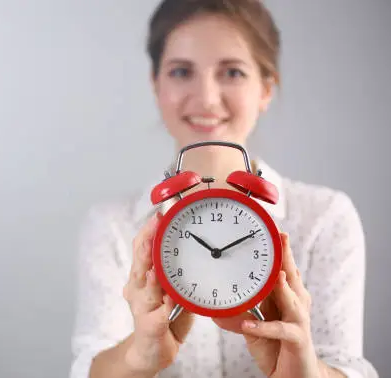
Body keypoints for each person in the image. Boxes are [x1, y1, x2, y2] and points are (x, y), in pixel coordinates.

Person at [68, 0, 380, 377]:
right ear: (156, 84)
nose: (207, 98)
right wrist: (138, 356)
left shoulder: (324, 217)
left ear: (266, 88)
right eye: (181, 71)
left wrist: (305, 370)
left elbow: (351, 367)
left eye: (232, 72)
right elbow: (87, 365)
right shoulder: (113, 225)